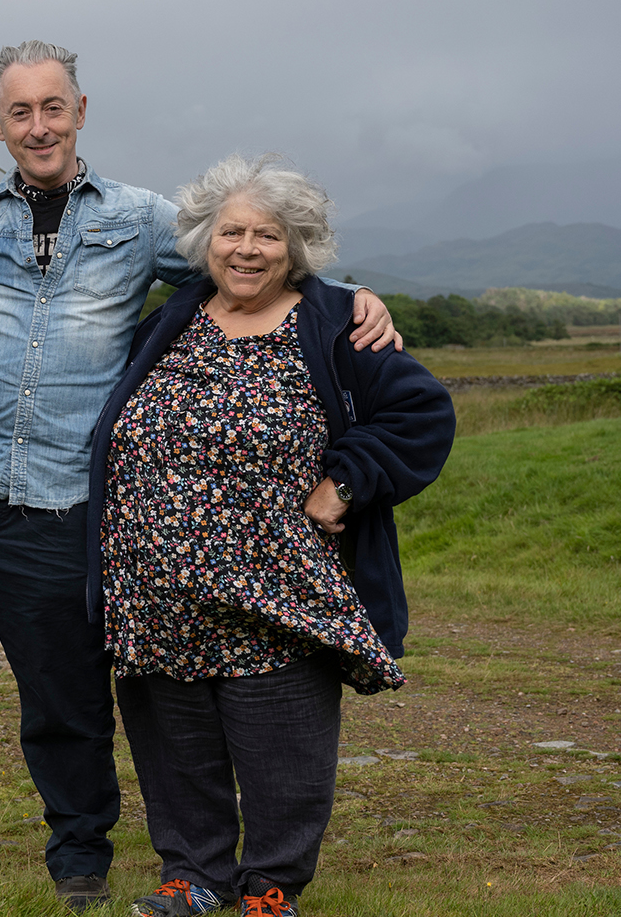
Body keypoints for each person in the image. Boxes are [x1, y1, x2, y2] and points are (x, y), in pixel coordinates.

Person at [0, 41, 402, 911]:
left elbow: (245, 267)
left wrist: (354, 294)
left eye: (53, 107)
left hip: (64, 506)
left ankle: (80, 859)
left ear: (80, 112)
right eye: (19, 112)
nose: (39, 126)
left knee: (62, 699)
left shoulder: (140, 219)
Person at [87, 154, 454, 917]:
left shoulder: (334, 323)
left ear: (298, 248)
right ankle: (192, 878)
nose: (246, 249)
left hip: (277, 590)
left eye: (267, 236)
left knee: (283, 749)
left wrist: (346, 479)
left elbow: (422, 416)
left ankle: (271, 888)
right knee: (176, 750)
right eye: (231, 232)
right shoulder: (172, 318)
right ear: (204, 240)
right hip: (157, 592)